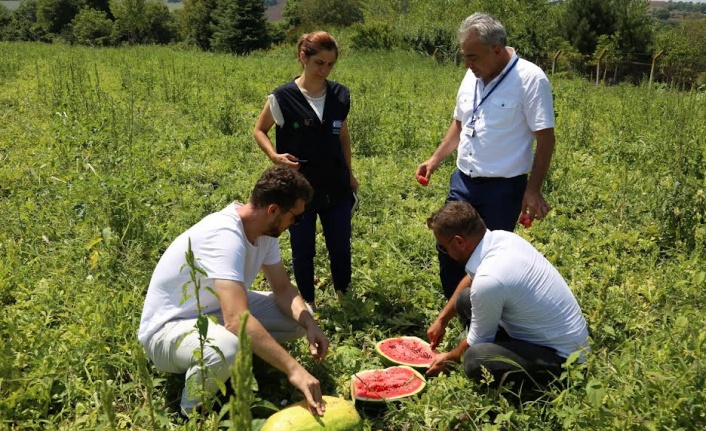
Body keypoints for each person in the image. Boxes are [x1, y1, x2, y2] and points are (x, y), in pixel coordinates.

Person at [137, 166, 330, 418]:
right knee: (229, 346)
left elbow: (282, 288)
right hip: (167, 330)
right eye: (296, 217)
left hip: (213, 309)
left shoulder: (264, 232)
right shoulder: (225, 236)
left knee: (298, 320)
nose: (295, 224)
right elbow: (237, 320)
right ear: (273, 210)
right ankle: (192, 412)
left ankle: (231, 357)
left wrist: (310, 324)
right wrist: (294, 370)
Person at [415, 13, 556, 300]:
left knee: (486, 261)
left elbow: (546, 139)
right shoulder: (472, 75)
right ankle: (456, 310)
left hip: (502, 190)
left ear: (496, 50)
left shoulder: (530, 80)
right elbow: (459, 124)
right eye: (465, 57)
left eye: (472, 57)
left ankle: (483, 325)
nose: (467, 64)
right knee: (447, 245)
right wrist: (435, 159)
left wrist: (533, 190)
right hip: (463, 181)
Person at [425, 201, 589, 388]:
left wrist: (450, 358)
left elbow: (477, 341)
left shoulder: (489, 280)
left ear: (459, 242)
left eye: (443, 247)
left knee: (474, 358)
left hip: (566, 361)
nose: (444, 252)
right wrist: (442, 320)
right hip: (561, 338)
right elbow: (471, 279)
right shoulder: (502, 238)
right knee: (465, 299)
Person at [254, 31, 358, 310]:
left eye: (330, 64)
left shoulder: (340, 95)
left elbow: (343, 136)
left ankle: (344, 298)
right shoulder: (282, 97)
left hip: (336, 185)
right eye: (319, 63)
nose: (324, 70)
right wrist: (274, 155)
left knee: (340, 246)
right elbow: (259, 130)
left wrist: (349, 174)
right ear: (303, 57)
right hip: (299, 189)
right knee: (303, 249)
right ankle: (308, 304)